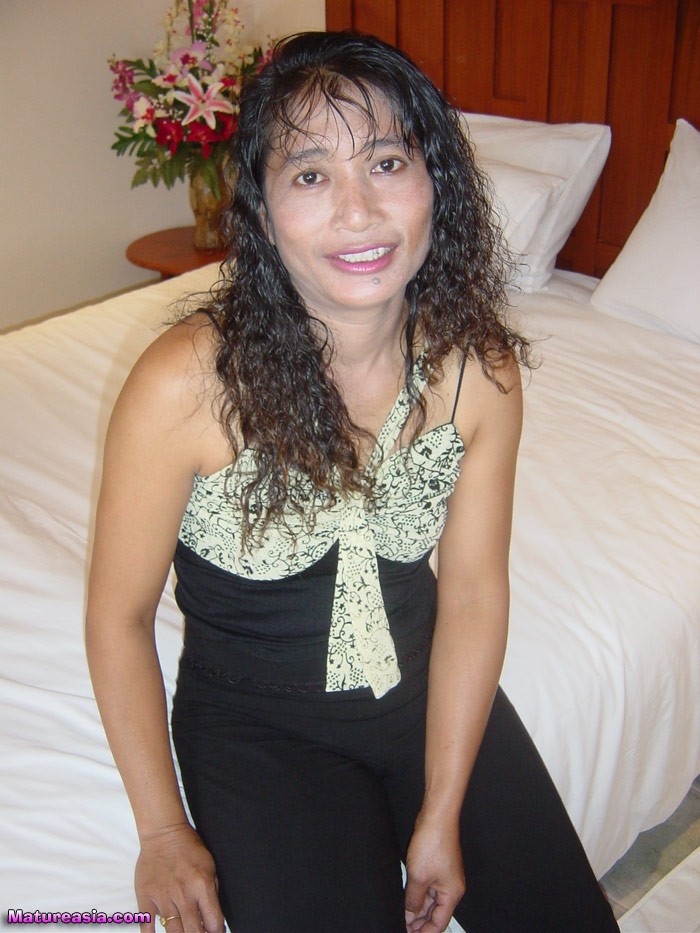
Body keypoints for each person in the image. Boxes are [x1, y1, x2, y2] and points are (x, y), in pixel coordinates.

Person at [86, 30, 619, 933]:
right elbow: (119, 617)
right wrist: (163, 830)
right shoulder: (186, 385)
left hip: (428, 692)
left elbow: (475, 594)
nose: (359, 211)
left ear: (435, 180)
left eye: (386, 162)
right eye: (310, 174)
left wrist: (441, 813)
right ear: (261, 211)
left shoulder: (477, 371)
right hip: (258, 730)